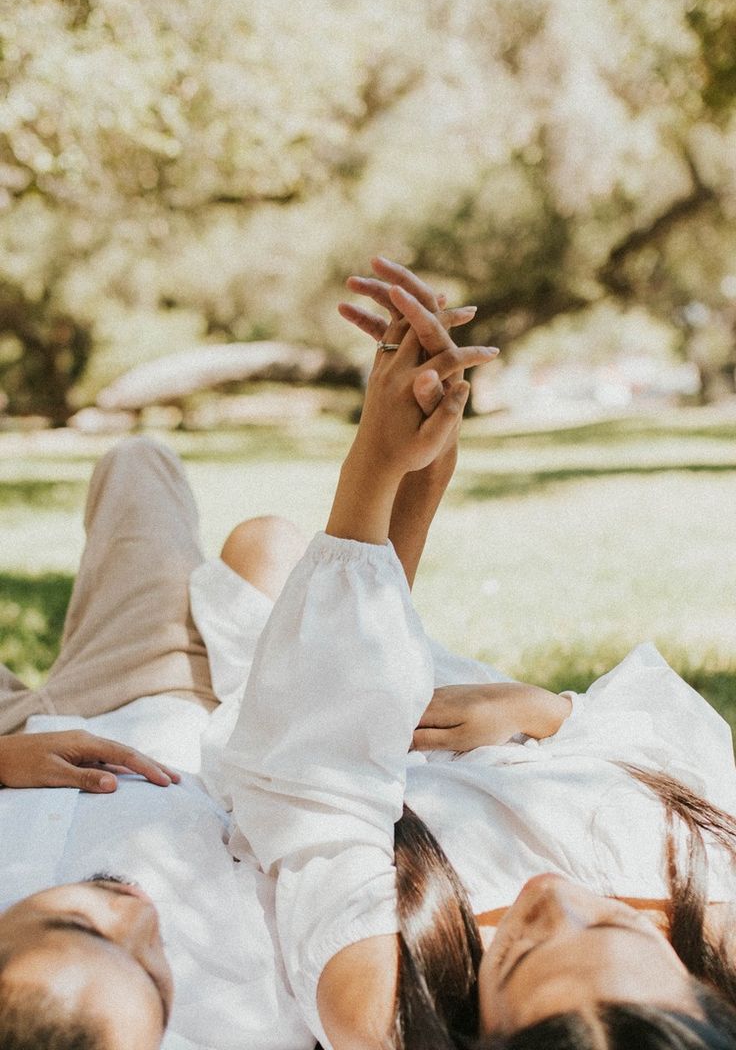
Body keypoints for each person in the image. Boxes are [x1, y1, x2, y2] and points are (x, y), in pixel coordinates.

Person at [221, 258, 736, 1050]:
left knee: (257, 551)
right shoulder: (723, 931)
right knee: (270, 553)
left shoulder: (385, 1003)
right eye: (625, 930)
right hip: (475, 715)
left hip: (331, 710)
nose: (556, 894)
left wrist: (380, 467)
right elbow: (682, 746)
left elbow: (312, 778)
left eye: (522, 950)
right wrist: (544, 711)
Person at [0, 437, 315, 1050]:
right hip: (159, 691)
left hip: (8, 737)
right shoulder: (249, 1027)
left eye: (79, 924)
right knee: (140, 467)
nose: (140, 912)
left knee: (134, 459)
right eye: (155, 976)